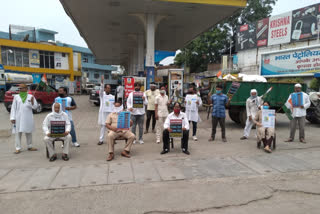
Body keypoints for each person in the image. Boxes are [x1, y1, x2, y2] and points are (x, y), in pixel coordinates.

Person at [10, 84, 38, 154]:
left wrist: (32, 102)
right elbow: (13, 108)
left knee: (28, 132)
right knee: (18, 133)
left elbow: (35, 107)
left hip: (27, 117)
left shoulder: (31, 96)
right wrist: (12, 117)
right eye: (19, 88)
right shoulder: (16, 97)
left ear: (26, 89)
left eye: (21, 88)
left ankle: (30, 146)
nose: (20, 90)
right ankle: (18, 148)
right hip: (18, 117)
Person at [98, 76, 115, 145]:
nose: (109, 89)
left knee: (111, 127)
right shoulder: (102, 95)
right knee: (103, 127)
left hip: (110, 113)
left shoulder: (112, 96)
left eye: (109, 88)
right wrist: (102, 83)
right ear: (105, 89)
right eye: (107, 88)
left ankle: (113, 138)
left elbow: (114, 105)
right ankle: (101, 140)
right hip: (103, 113)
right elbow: (101, 90)